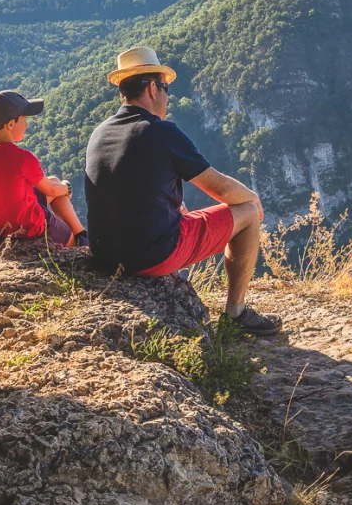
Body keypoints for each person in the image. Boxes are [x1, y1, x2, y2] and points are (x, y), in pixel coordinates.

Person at [84, 47, 279, 336]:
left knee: (187, 212)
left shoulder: (100, 132)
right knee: (248, 213)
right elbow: (220, 188)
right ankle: (236, 313)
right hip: (150, 256)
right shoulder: (161, 131)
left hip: (103, 255)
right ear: (152, 88)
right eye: (165, 88)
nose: (168, 97)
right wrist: (253, 198)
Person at [0, 91, 88, 248]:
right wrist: (67, 187)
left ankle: (82, 233)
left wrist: (59, 186)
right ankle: (80, 240)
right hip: (28, 226)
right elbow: (50, 190)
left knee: (54, 180)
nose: (27, 125)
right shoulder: (22, 158)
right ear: (10, 125)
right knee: (71, 240)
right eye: (24, 119)